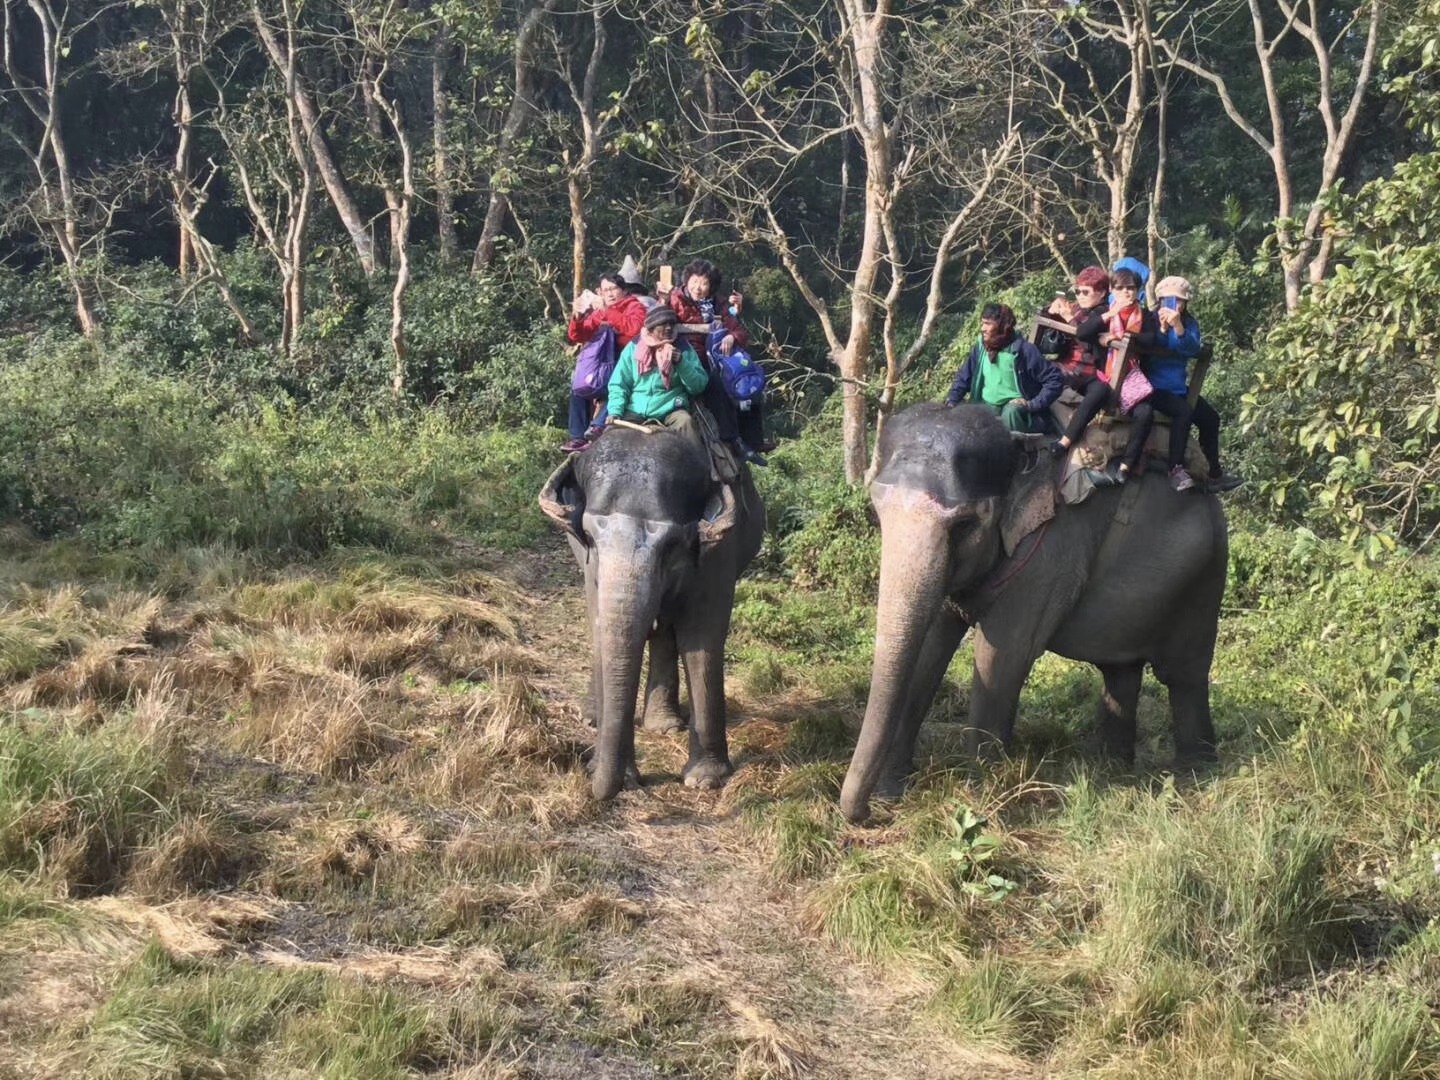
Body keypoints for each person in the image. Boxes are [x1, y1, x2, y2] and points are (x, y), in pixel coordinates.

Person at [1112, 276, 1243, 493]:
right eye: (1168, 301)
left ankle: (1215, 473)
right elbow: (1152, 341)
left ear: (1185, 303)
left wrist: (1177, 326)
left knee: (1211, 418)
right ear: (1160, 300)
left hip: (1178, 388)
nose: (1174, 306)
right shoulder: (1149, 319)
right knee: (1183, 411)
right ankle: (1175, 468)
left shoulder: (1189, 323)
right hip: (1152, 387)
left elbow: (1190, 347)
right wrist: (1163, 329)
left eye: (1178, 301)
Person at [668, 258, 769, 466]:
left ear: (711, 286)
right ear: (686, 280)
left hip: (714, 357)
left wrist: (732, 336)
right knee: (716, 384)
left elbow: (738, 328)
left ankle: (753, 441)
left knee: (748, 380)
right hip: (687, 355)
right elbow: (661, 323)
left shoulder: (718, 303)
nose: (698, 287)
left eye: (704, 283)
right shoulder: (674, 299)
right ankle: (731, 437)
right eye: (694, 281)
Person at [944, 302, 1063, 432]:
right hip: (987, 404)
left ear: (1002, 327)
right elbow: (964, 377)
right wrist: (951, 401)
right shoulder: (981, 348)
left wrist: (1031, 405)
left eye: (988, 324)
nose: (982, 328)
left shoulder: (1023, 351)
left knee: (1011, 413)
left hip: (1015, 411)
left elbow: (1054, 380)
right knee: (967, 418)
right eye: (982, 323)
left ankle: (1018, 448)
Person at [563, 271, 647, 452]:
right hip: (601, 363)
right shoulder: (598, 312)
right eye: (605, 290)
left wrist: (607, 312)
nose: (609, 293)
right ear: (599, 292)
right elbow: (577, 335)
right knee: (577, 384)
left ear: (624, 291)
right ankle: (577, 436)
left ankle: (598, 425)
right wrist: (577, 317)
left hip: (627, 361)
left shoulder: (635, 307)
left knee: (617, 383)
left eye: (614, 288)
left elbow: (634, 329)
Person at [603, 305, 709, 444]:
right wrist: (615, 411)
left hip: (671, 409)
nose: (669, 328)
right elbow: (619, 383)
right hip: (635, 409)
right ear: (651, 329)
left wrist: (681, 363)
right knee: (610, 437)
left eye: (671, 324)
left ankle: (697, 465)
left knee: (686, 423)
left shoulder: (683, 348)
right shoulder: (633, 348)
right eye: (663, 324)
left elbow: (698, 386)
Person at [1044, 265, 1112, 457]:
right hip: (1064, 365)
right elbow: (1045, 318)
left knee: (1101, 391)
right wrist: (1051, 310)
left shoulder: (1103, 312)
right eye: (1077, 291)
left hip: (1088, 372)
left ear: (1101, 293)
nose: (1080, 296)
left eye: (1085, 292)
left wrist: (1068, 317)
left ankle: (1065, 442)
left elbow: (1086, 335)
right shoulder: (1078, 308)